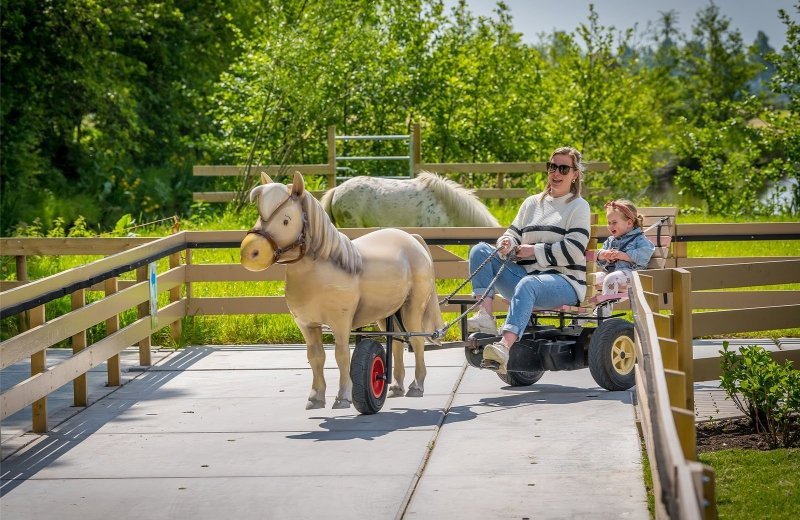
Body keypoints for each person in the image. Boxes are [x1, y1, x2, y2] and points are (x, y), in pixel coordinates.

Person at [466, 147, 591, 373]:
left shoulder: (578, 206)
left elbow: (574, 249)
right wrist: (507, 243)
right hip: (527, 279)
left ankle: (504, 347)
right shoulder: (532, 203)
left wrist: (534, 251)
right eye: (552, 167)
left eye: (563, 168)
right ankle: (484, 315)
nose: (556, 173)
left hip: (565, 282)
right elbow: (513, 233)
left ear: (575, 174)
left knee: (528, 284)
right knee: (480, 251)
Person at [593, 199, 655, 316]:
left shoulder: (639, 239)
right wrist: (603, 254)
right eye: (609, 222)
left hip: (632, 275)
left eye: (614, 222)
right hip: (610, 273)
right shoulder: (611, 240)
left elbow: (645, 254)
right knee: (589, 279)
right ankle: (584, 312)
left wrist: (624, 256)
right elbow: (599, 259)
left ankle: (603, 314)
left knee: (611, 278)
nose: (610, 226)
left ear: (629, 223)